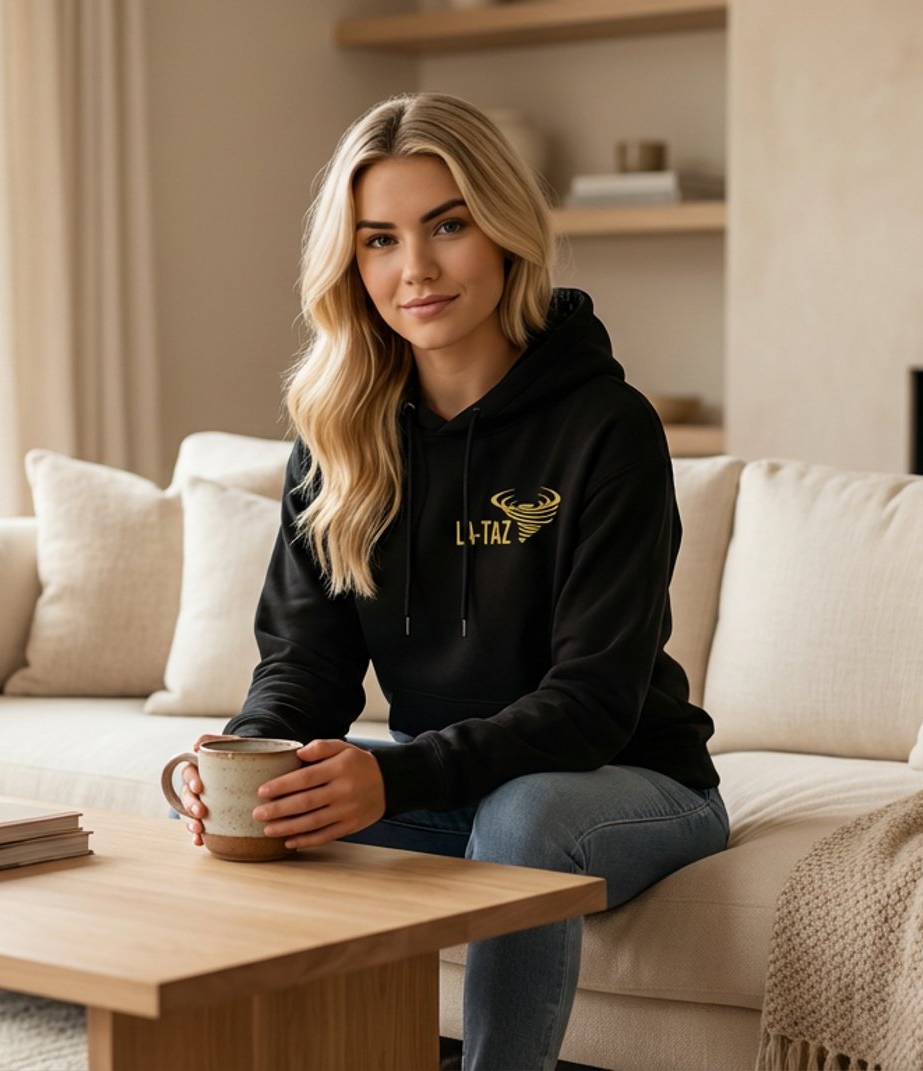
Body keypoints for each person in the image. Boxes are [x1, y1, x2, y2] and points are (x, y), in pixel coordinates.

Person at [172, 92, 730, 1071]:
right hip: (448, 780)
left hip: (628, 784)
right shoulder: (340, 437)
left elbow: (592, 702)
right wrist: (251, 756)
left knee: (525, 815)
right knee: (258, 808)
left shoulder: (608, 429)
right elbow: (304, 663)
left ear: (506, 231)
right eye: (380, 240)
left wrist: (395, 774)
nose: (415, 270)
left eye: (448, 226)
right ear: (352, 264)